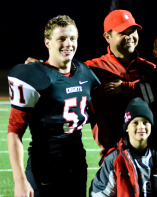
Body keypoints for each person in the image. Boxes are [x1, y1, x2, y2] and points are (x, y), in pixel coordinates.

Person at [25, 10, 156, 153]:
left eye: (133, 31)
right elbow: (62, 73)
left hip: (151, 150)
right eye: (123, 33)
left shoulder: (151, 69)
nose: (129, 37)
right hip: (113, 153)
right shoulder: (91, 70)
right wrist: (40, 68)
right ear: (107, 37)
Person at [7, 15, 100, 197]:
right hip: (44, 166)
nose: (68, 44)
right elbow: (14, 132)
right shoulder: (34, 76)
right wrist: (19, 181)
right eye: (61, 38)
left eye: (72, 38)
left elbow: (96, 118)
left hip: (77, 164)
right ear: (47, 42)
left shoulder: (86, 74)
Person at [89, 97, 157, 197]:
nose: (141, 127)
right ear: (127, 128)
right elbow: (99, 193)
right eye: (135, 122)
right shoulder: (115, 159)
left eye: (145, 122)